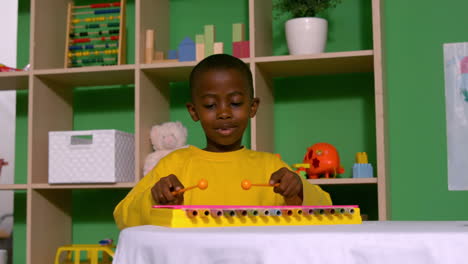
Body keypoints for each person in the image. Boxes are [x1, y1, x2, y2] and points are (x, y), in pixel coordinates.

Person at [114, 54, 331, 229]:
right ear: (194, 111)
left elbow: (326, 208)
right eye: (210, 105)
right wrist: (154, 199)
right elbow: (123, 216)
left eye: (235, 103)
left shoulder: (271, 167)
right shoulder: (174, 164)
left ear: (253, 107)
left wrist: (299, 190)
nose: (224, 113)